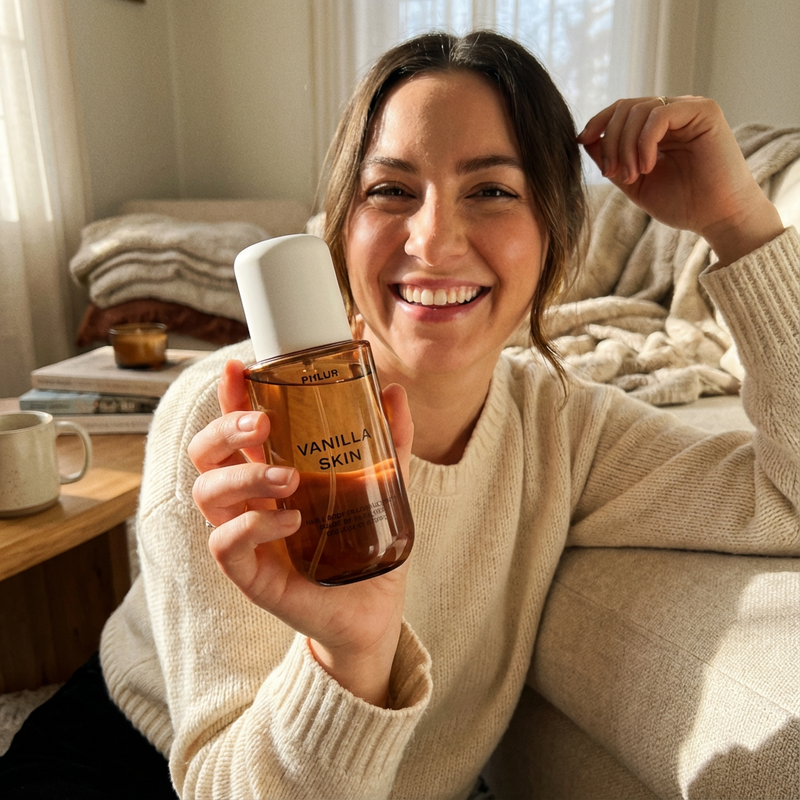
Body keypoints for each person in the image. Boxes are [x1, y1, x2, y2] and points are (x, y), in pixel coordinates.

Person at [1, 29, 797, 800]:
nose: (434, 240)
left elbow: (785, 497)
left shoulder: (566, 430)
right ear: (340, 227)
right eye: (390, 190)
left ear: (555, 236)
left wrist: (739, 221)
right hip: (138, 759)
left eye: (491, 191)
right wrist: (349, 658)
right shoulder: (234, 417)